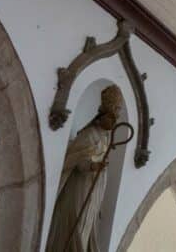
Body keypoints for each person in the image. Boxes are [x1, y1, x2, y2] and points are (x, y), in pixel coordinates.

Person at [45, 85, 125, 252]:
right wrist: (93, 165)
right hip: (79, 189)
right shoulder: (89, 135)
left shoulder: (105, 138)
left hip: (93, 191)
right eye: (112, 115)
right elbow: (74, 160)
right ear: (103, 116)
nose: (114, 119)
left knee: (86, 226)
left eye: (117, 115)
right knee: (76, 223)